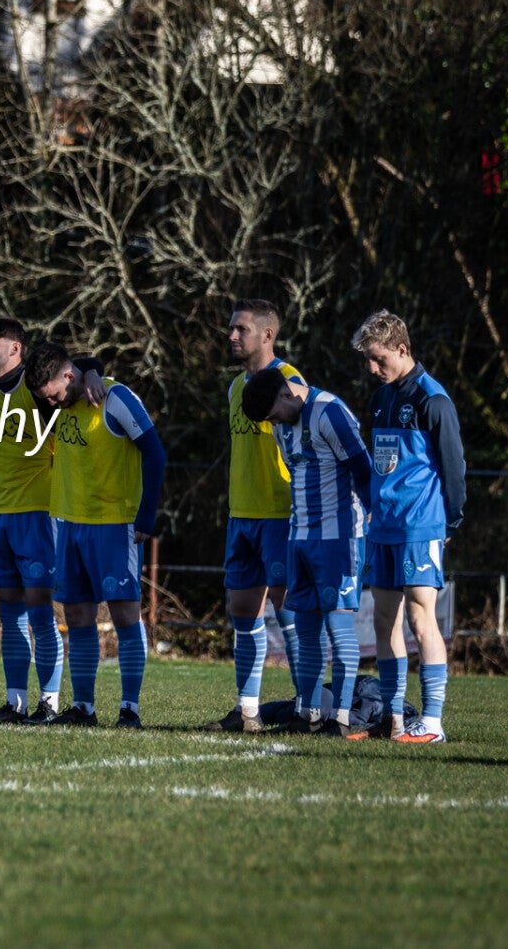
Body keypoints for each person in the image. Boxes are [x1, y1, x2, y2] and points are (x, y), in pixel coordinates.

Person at [0, 319, 104, 723]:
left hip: (38, 512)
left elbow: (84, 363)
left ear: (17, 347)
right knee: (10, 614)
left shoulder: (36, 386)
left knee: (41, 609)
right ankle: (15, 702)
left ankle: (50, 702)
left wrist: (92, 371)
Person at [25, 343, 166, 728]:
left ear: (69, 378)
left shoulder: (115, 398)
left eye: (54, 395)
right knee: (77, 614)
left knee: (124, 613)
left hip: (113, 523)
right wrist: (89, 370)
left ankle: (129, 710)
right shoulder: (63, 398)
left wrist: (146, 515)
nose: (51, 405)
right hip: (69, 523)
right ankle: (84, 707)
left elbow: (155, 453)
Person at [354, 310, 465, 743]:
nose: (372, 368)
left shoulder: (432, 400)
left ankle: (432, 722)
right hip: (382, 528)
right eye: (368, 359)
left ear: (403, 349)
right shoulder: (380, 399)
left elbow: (453, 467)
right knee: (383, 622)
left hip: (420, 525)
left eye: (379, 358)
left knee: (422, 620)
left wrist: (450, 519)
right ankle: (393, 717)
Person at [240, 370, 370, 736]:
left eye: (273, 414)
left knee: (338, 625)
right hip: (301, 538)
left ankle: (342, 718)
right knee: (308, 629)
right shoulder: (282, 425)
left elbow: (362, 469)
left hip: (339, 537)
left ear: (286, 393)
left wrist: (375, 520)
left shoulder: (330, 411)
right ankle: (308, 713)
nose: (275, 423)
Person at [204, 299, 306, 732]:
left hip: (279, 514)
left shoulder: (291, 383)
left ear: (267, 334)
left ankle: (307, 710)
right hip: (241, 514)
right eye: (231, 328)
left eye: (241, 329)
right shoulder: (234, 387)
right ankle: (248, 711)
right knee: (242, 610)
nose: (231, 336)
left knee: (289, 612)